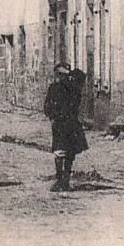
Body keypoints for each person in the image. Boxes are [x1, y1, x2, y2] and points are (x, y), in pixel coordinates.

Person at [44, 62, 88, 191]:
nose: (61, 77)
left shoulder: (73, 87)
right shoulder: (57, 88)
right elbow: (47, 105)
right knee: (62, 152)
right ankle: (60, 179)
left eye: (63, 75)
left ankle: (64, 180)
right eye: (60, 75)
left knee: (67, 152)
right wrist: (52, 116)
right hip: (62, 123)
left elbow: (81, 75)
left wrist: (52, 116)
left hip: (68, 123)